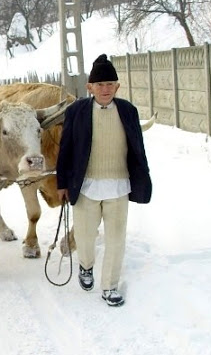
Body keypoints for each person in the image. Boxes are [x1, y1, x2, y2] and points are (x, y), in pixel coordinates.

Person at [56, 54, 152, 307]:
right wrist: (62, 183)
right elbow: (65, 148)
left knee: (116, 241)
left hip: (119, 188)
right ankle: (86, 267)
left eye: (110, 84)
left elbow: (138, 149)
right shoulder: (77, 111)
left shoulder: (128, 111)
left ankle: (109, 286)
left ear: (117, 86)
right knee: (85, 239)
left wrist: (142, 178)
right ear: (90, 88)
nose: (105, 89)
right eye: (100, 85)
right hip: (85, 187)